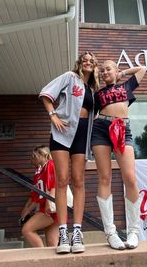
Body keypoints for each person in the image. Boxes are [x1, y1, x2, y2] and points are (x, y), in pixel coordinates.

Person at [39, 52, 99, 254]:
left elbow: (116, 76)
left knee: (79, 180)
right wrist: (52, 115)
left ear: (95, 65)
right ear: (79, 63)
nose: (88, 62)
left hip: (83, 134)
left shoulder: (93, 87)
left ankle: (77, 232)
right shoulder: (69, 77)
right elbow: (46, 94)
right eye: (85, 59)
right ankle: (63, 232)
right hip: (62, 133)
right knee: (62, 180)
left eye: (92, 60)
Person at [91, 60, 146, 250]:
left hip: (123, 128)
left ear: (115, 71)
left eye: (108, 69)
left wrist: (122, 73)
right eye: (102, 70)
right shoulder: (97, 92)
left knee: (130, 178)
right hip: (101, 130)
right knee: (105, 177)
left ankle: (133, 231)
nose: (104, 72)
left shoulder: (127, 85)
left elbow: (142, 69)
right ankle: (111, 233)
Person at [20, 145, 59, 247]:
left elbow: (54, 185)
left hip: (50, 207)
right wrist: (27, 210)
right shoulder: (41, 171)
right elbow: (36, 196)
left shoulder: (50, 164)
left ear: (42, 154)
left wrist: (48, 203)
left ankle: (41, 256)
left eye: (35, 156)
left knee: (27, 230)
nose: (33, 159)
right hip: (50, 207)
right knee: (52, 243)